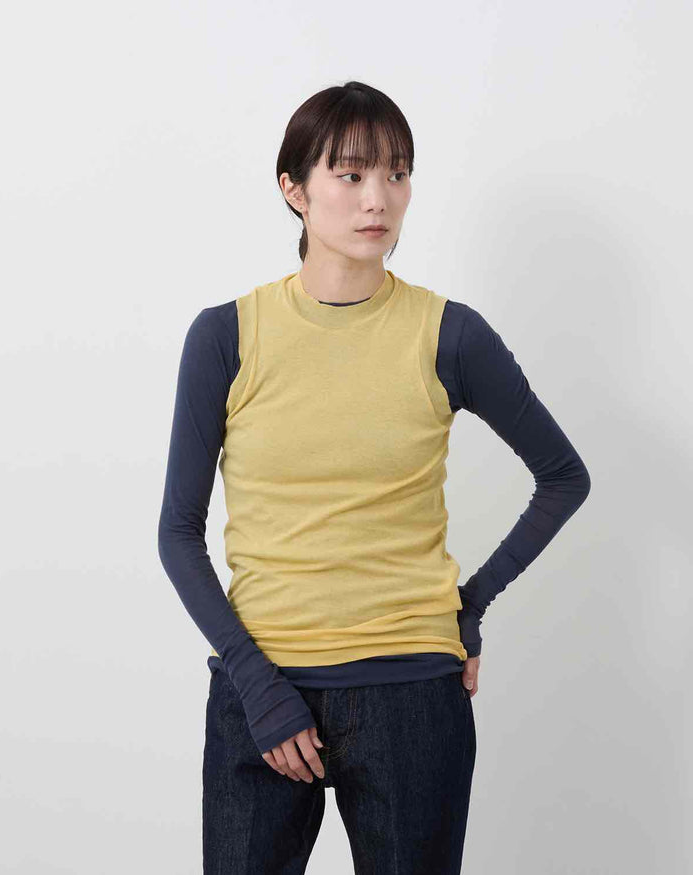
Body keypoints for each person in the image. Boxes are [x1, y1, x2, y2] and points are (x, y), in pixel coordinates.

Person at [158, 80, 591, 874]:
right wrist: (256, 682)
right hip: (260, 689)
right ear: (294, 189)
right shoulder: (227, 337)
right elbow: (177, 534)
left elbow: (564, 476)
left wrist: (470, 604)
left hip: (412, 696)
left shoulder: (449, 334)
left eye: (397, 173)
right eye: (351, 174)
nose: (378, 199)